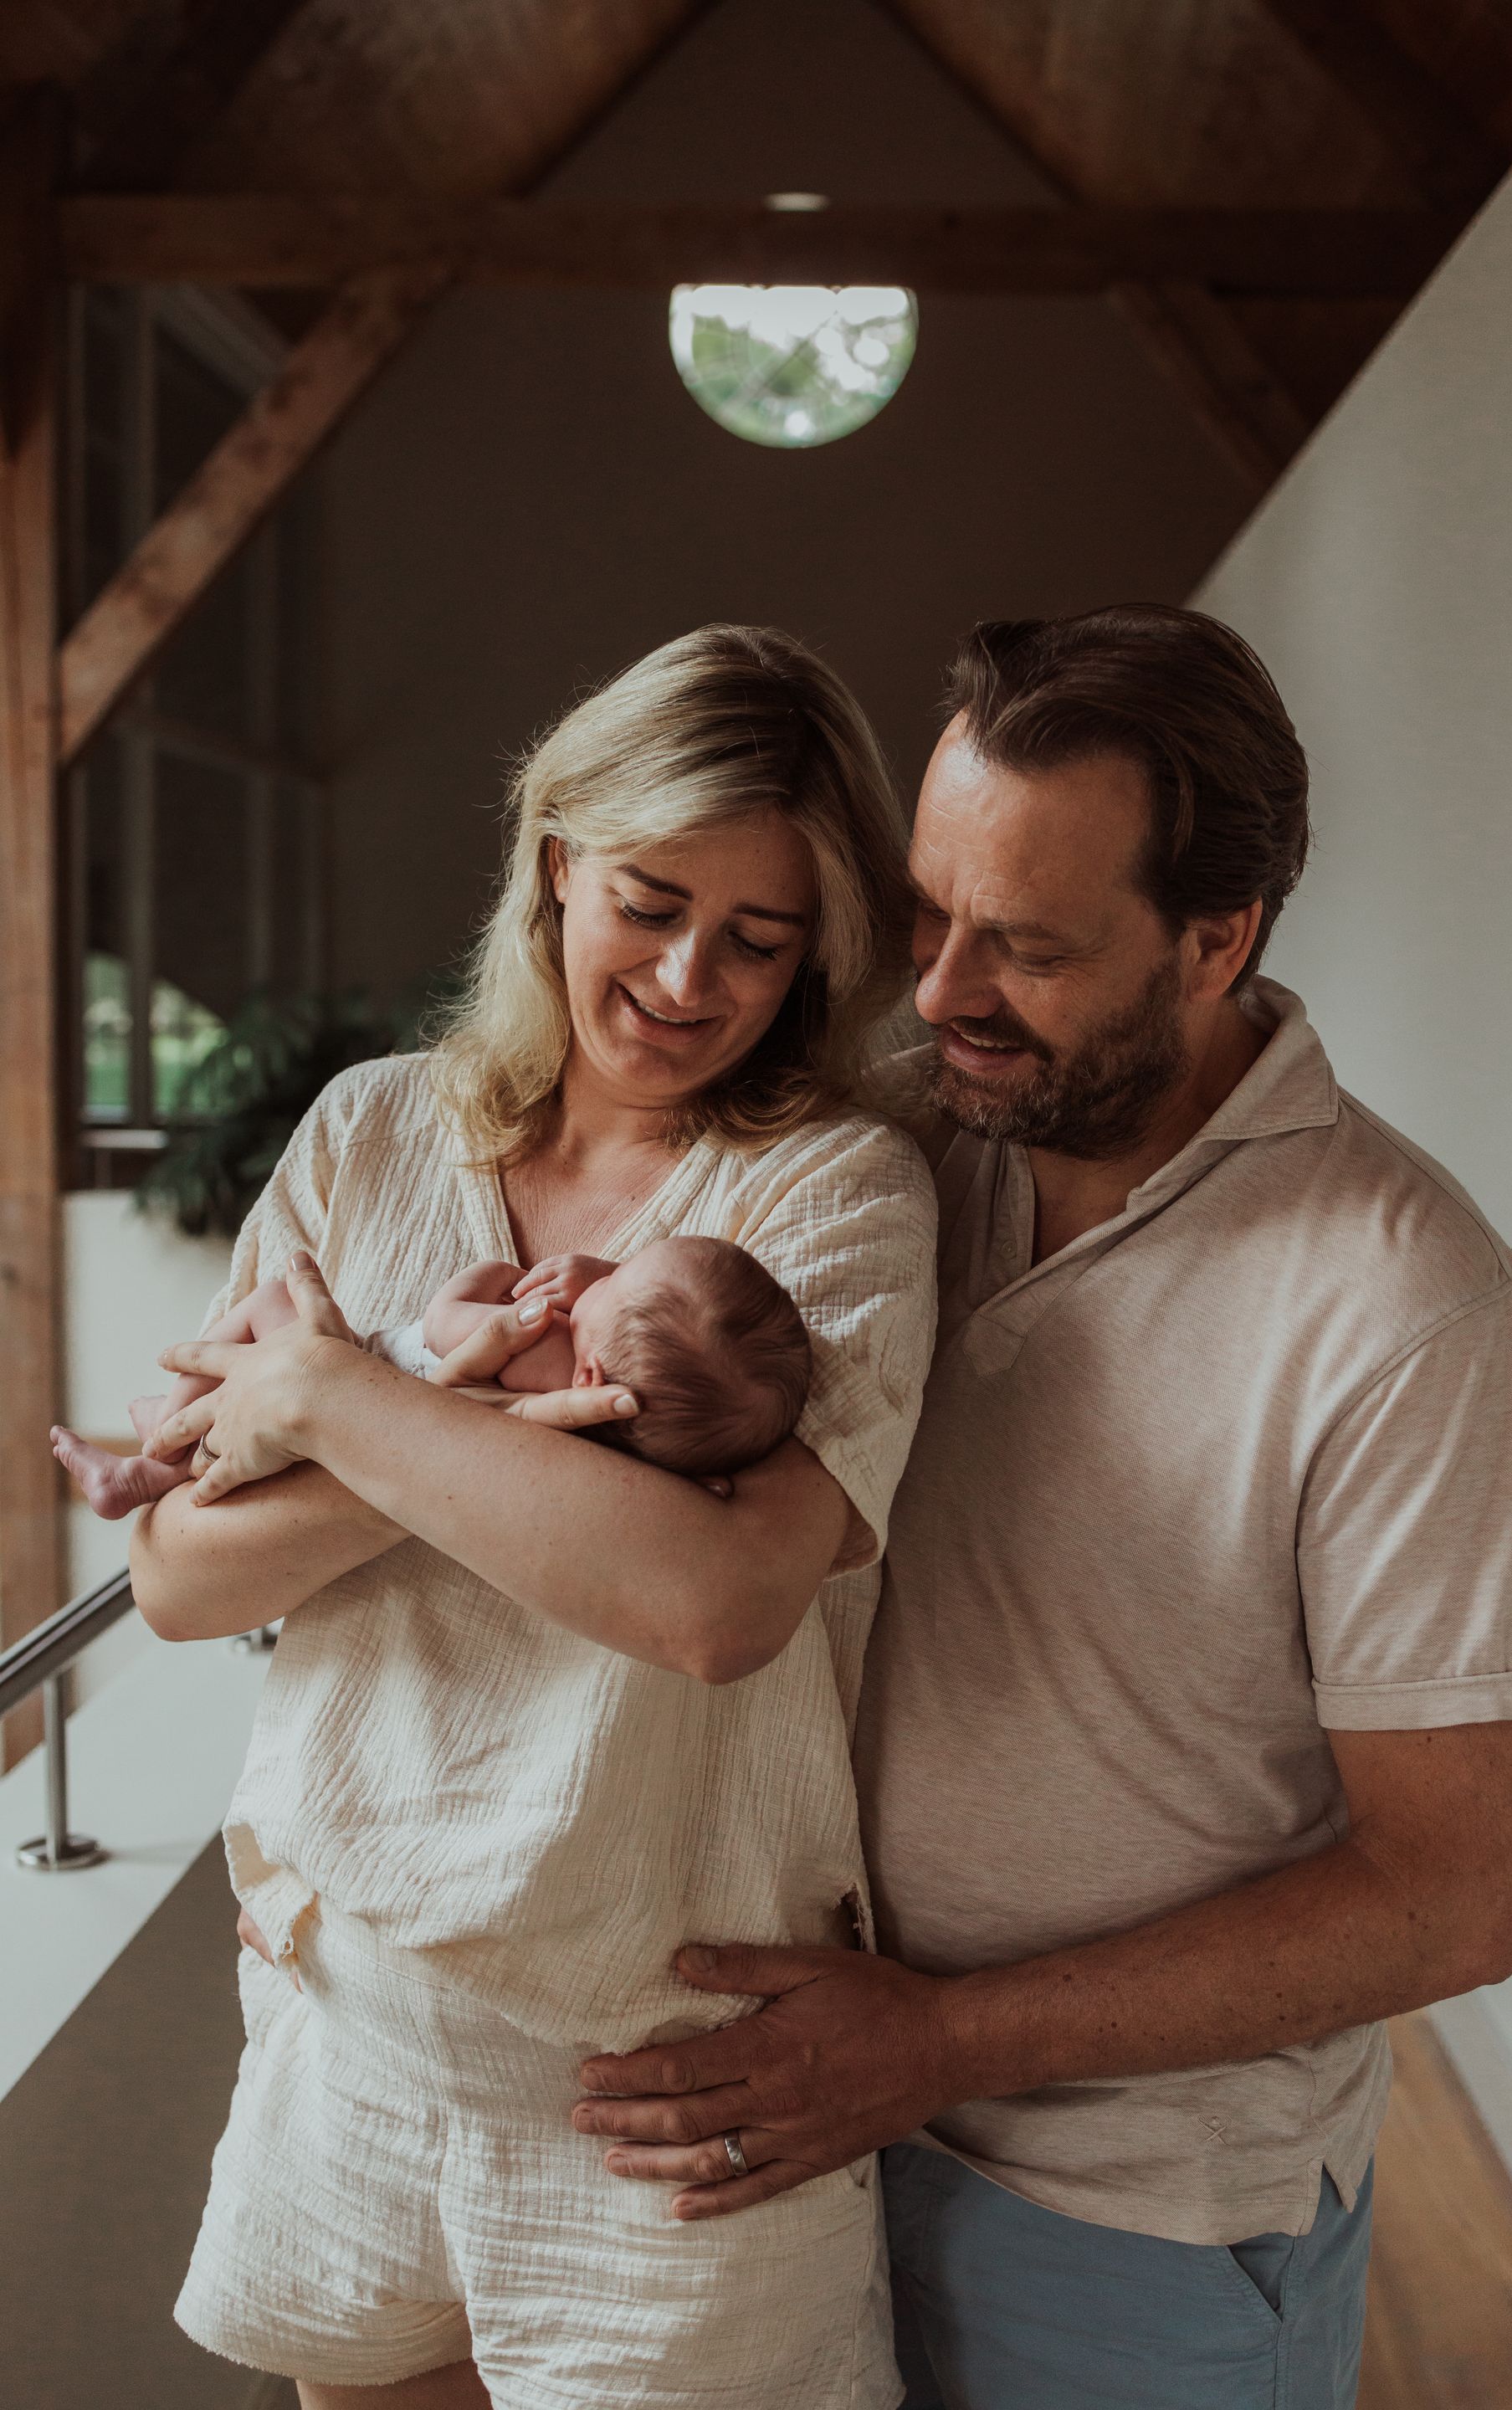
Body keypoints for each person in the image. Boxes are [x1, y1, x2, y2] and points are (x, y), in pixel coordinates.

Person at [569, 606, 1512, 2410]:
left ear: (1218, 940)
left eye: (1026, 946)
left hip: (1138, 2237)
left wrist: (941, 2043)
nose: (943, 990)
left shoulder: (1408, 1303)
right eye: (928, 914)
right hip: (790, 2127)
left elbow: (1457, 1897)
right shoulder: (884, 1149)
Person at [128, 624, 938, 2410]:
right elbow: (178, 1573)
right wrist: (488, 1445)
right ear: (557, 859)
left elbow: (714, 1603)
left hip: (670, 2067)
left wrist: (347, 1400)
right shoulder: (364, 1138)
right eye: (647, 900)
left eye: (758, 936)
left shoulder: (831, 1189)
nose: (684, 975)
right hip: (359, 2017)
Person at [54, 1232, 813, 1514]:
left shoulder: (540, 1344)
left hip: (351, 1377)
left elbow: (448, 1321)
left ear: (590, 1375)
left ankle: (164, 1439)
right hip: (342, 1436)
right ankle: (158, 1470)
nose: (601, 1272)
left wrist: (496, 1275)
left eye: (618, 1278)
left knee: (274, 1302)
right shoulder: (617, 1443)